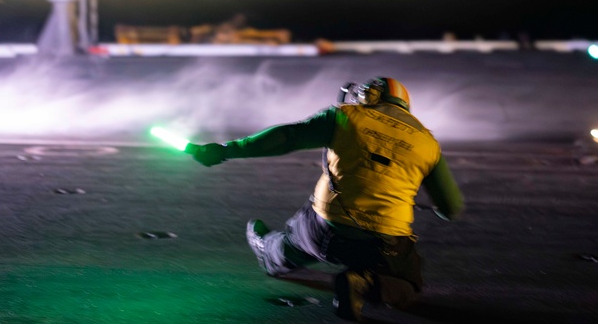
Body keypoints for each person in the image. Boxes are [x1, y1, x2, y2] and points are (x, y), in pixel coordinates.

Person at [185, 77, 464, 322]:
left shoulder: (345, 115)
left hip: (321, 229)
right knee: (408, 285)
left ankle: (270, 252)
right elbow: (451, 208)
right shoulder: (428, 143)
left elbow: (286, 137)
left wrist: (224, 150)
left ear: (371, 95)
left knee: (293, 242)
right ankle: (363, 284)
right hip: (382, 244)